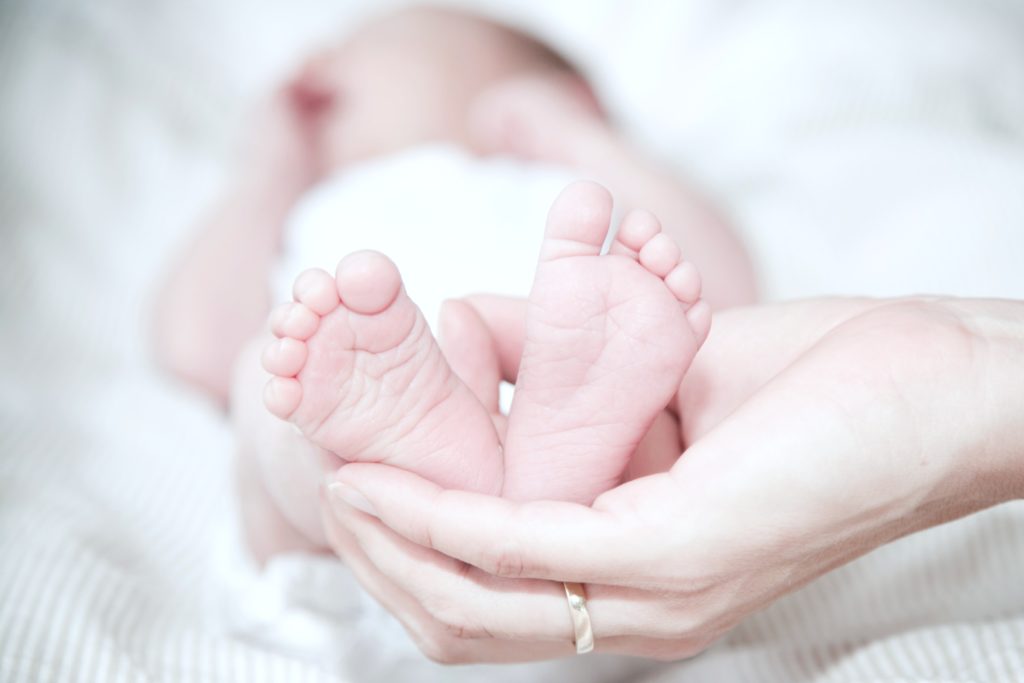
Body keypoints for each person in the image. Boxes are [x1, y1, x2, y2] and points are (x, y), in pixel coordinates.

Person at [154, 6, 756, 561]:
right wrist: (273, 167)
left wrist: (581, 138)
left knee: (668, 385)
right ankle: (445, 460)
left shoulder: (569, 187)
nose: (317, 65)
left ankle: (550, 463)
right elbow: (197, 349)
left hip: (619, 565)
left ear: (557, 93)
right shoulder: (307, 206)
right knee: (272, 381)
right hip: (361, 565)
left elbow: (727, 301)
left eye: (368, 44)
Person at [318, 293, 1024, 662]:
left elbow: (710, 280)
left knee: (299, 430)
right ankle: (501, 464)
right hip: (426, 360)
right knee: (300, 417)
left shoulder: (576, 152)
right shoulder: (309, 180)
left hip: (454, 363)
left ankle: (476, 470)